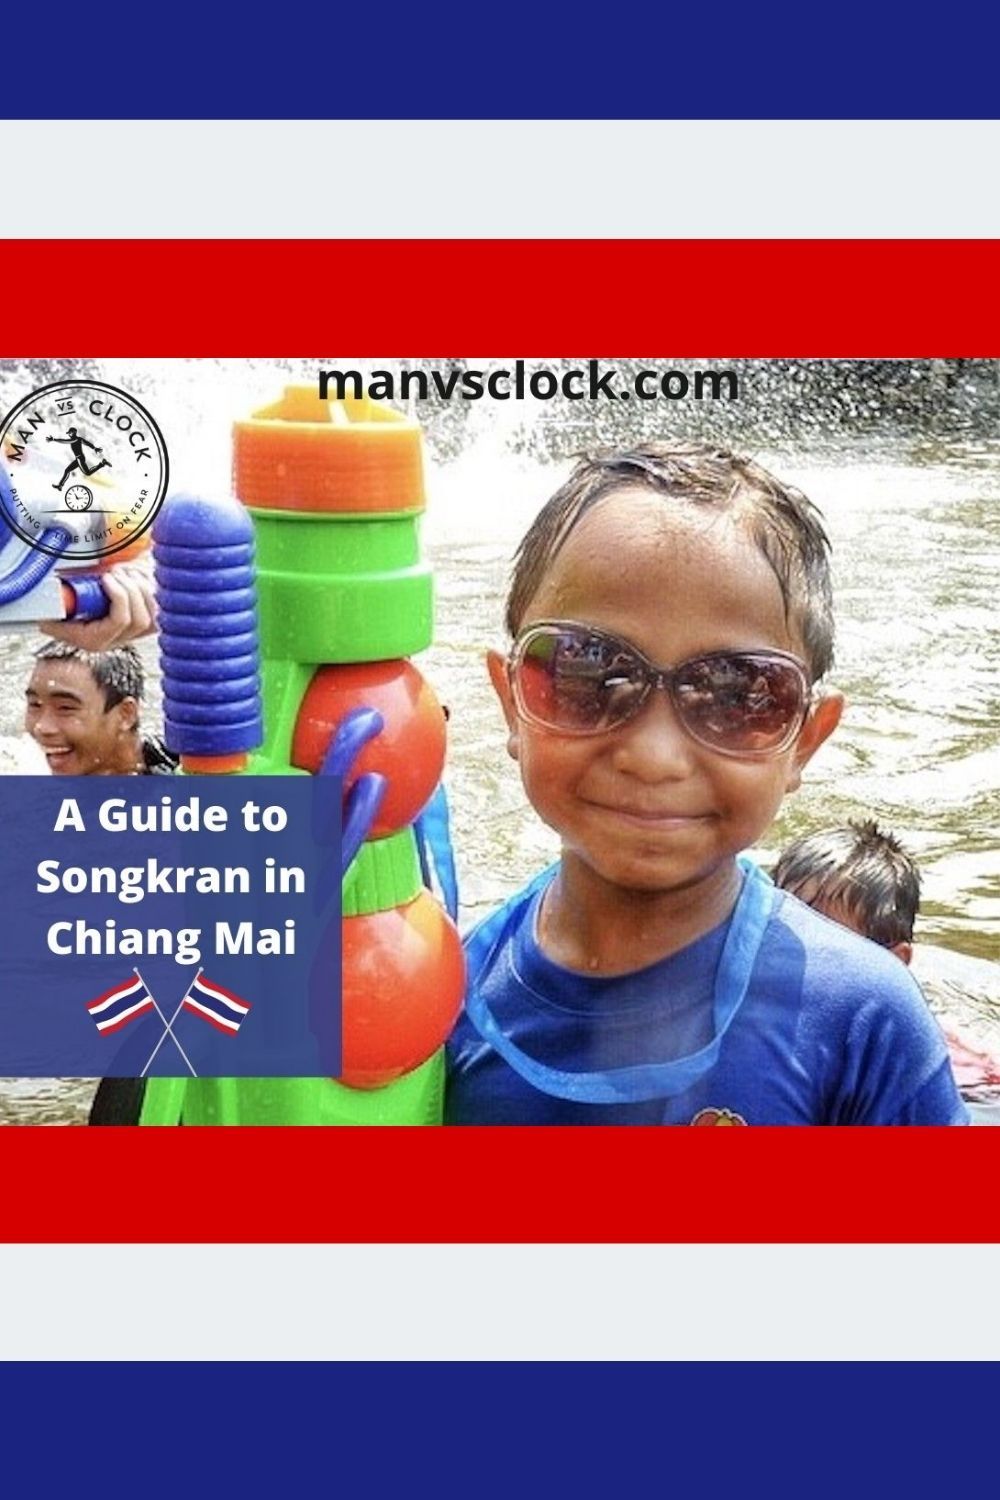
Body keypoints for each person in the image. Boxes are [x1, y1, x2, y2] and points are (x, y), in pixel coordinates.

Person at [446, 443, 968, 1124]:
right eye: (586, 670)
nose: (655, 754)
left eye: (740, 694)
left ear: (805, 741)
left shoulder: (863, 1023)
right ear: (512, 700)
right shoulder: (438, 998)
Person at [773, 819, 1000, 1116]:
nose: (800, 960)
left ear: (895, 963)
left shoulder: (945, 1066)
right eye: (784, 933)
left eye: (829, 948)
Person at [24, 640, 178, 776]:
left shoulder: (184, 762)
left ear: (125, 714)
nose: (41, 727)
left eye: (65, 708)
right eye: (34, 705)